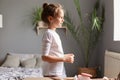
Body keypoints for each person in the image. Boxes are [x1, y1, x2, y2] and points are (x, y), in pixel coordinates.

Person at [41, 3, 74, 77]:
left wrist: (65, 56)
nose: (63, 20)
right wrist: (64, 59)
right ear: (50, 19)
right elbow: (44, 57)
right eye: (61, 17)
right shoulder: (48, 34)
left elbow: (54, 54)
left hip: (56, 72)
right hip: (51, 73)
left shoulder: (54, 34)